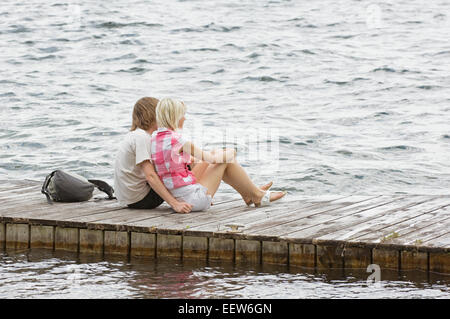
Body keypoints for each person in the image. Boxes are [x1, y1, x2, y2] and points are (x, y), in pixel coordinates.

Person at [150, 98, 286, 212]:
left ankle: (249, 194)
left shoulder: (154, 138)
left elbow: (174, 163)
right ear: (175, 116)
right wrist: (233, 151)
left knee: (217, 153)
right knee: (224, 159)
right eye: (182, 114)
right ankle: (255, 195)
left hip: (177, 194)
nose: (185, 118)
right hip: (192, 199)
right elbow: (213, 160)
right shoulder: (179, 141)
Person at [114, 97, 193, 213]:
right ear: (154, 115)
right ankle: (195, 198)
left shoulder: (136, 135)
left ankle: (198, 196)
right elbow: (150, 176)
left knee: (181, 160)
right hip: (141, 199)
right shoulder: (142, 138)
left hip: (130, 198)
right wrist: (174, 204)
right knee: (184, 164)